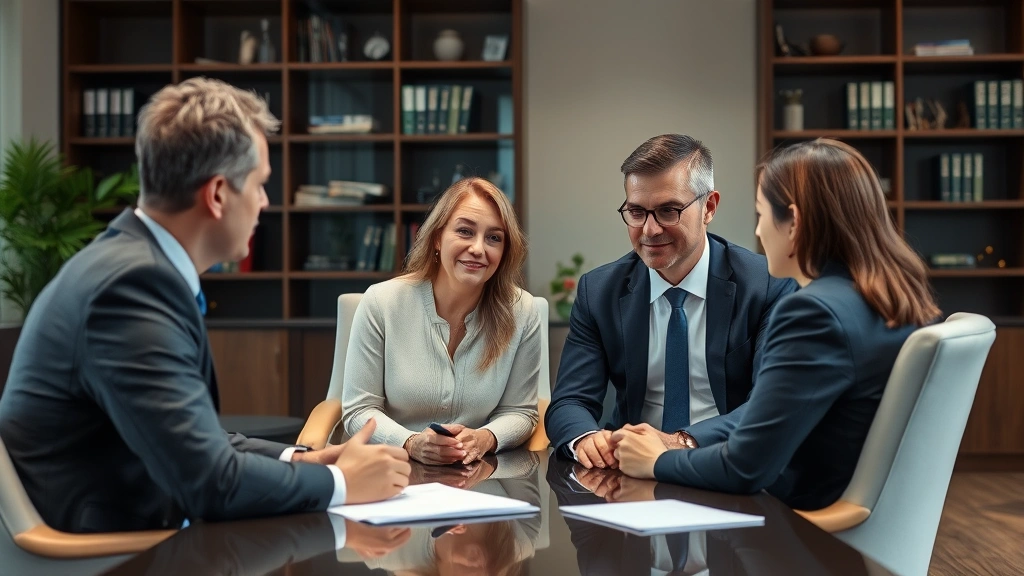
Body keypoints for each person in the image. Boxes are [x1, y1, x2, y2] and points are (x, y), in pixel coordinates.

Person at [0, 77, 410, 534]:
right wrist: (342, 483)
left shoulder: (130, 265)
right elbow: (211, 483)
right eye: (259, 185)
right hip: (112, 554)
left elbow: (199, 441)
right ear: (217, 195)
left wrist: (304, 460)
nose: (264, 203)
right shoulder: (131, 289)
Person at [612, 138, 941, 510]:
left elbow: (744, 467)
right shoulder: (896, 300)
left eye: (761, 214)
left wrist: (654, 460)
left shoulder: (813, 314)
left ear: (794, 222)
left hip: (796, 521)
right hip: (859, 512)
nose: (758, 232)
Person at [544, 134, 797, 470]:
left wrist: (681, 441)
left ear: (709, 208)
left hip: (725, 464)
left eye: (668, 211)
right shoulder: (599, 291)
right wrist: (587, 440)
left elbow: (769, 407)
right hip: (630, 470)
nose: (649, 230)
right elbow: (569, 401)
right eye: (636, 211)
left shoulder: (765, 285)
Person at [342, 177, 540, 465]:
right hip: (391, 468)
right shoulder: (382, 302)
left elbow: (521, 412)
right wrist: (411, 443)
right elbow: (359, 410)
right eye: (465, 231)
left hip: (478, 472)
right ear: (437, 238)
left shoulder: (522, 310)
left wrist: (485, 438)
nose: (478, 248)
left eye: (494, 238)